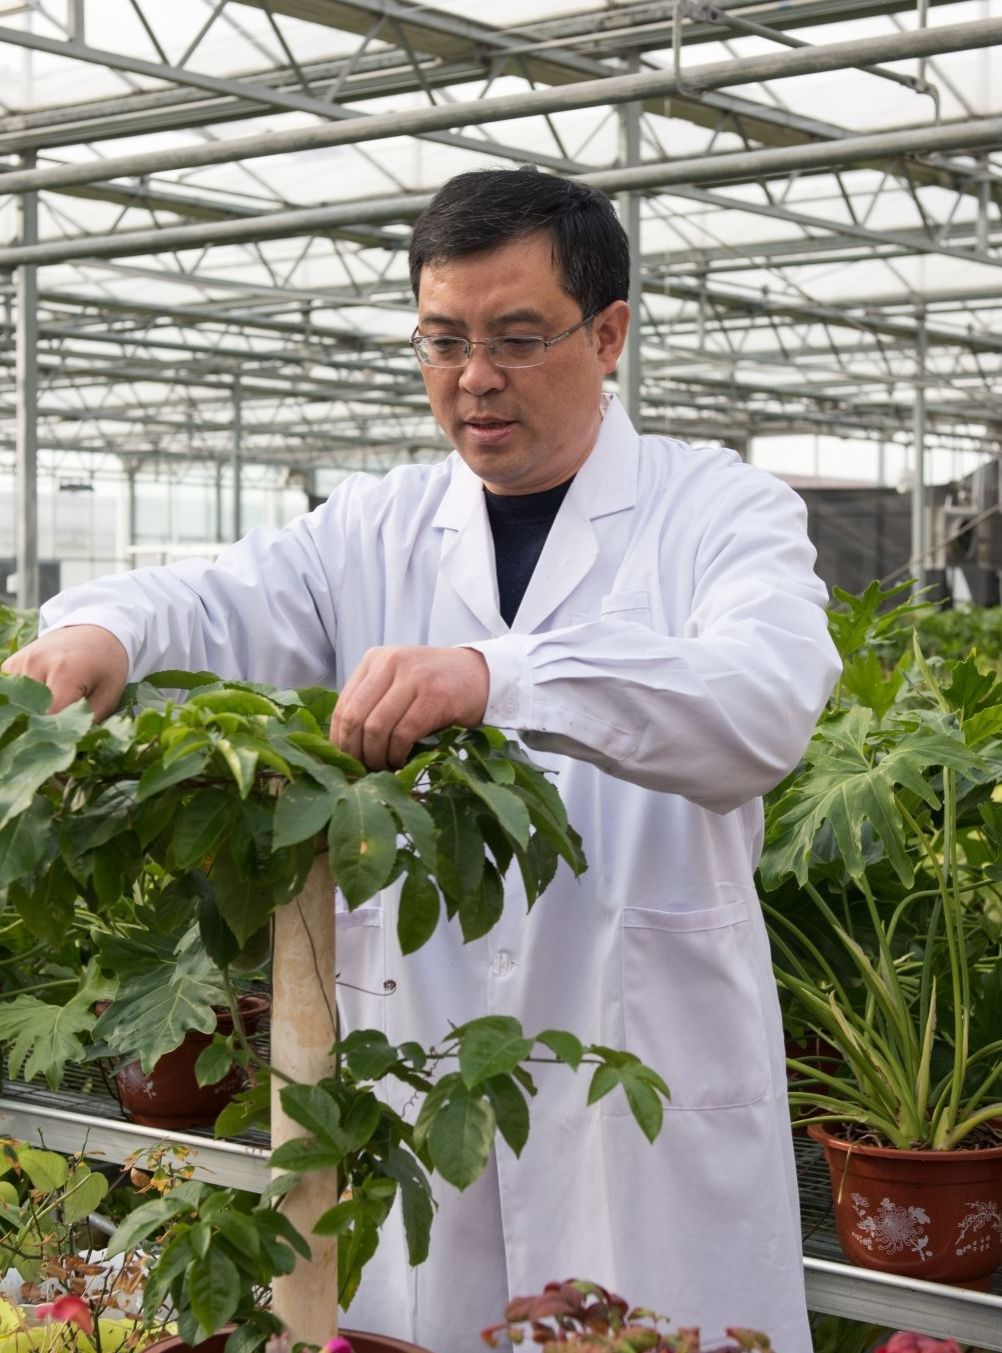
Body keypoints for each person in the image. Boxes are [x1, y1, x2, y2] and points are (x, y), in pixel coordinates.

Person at [5, 168, 840, 1353]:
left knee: (644, 1328)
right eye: (442, 341)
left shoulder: (718, 510)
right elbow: (216, 598)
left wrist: (498, 675)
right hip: (423, 1085)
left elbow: (760, 703)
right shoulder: (377, 524)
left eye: (516, 338)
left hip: (642, 1089)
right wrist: (104, 632)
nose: (474, 376)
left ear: (608, 336)